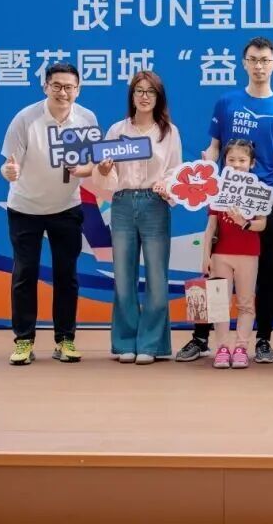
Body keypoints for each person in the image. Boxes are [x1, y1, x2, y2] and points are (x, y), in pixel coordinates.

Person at [177, 37, 273, 365]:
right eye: (253, 59)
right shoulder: (227, 102)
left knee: (269, 270)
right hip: (226, 196)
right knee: (214, 269)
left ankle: (262, 339)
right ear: (244, 63)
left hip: (267, 199)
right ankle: (201, 338)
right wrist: (208, 163)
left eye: (265, 60)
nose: (259, 66)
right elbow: (215, 146)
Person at [0, 62, 97, 365]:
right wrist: (9, 171)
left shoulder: (87, 119)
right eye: (56, 86)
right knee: (25, 273)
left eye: (69, 87)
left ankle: (65, 339)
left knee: (66, 275)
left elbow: (91, 164)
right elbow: (9, 164)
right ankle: (24, 341)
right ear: (45, 87)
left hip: (66, 207)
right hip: (25, 207)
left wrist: (82, 169)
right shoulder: (25, 118)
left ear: (78, 90)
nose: (62, 92)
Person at [92, 71, 182, 365]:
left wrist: (166, 186)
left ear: (159, 97)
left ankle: (151, 343)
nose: (144, 96)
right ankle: (125, 342)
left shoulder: (168, 132)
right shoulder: (117, 130)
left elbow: (175, 171)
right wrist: (104, 170)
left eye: (150, 91)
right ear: (131, 96)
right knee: (123, 276)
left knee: (156, 276)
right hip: (122, 203)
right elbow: (105, 176)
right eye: (139, 91)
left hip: (155, 203)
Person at [200, 139, 268, 370]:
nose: (237, 164)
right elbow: (210, 227)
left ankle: (241, 347)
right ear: (224, 162)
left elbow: (262, 225)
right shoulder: (217, 190)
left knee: (246, 303)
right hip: (221, 255)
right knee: (219, 303)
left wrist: (244, 222)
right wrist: (206, 256)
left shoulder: (258, 190)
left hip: (248, 254)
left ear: (252, 163)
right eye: (231, 160)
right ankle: (221, 348)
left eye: (242, 160)